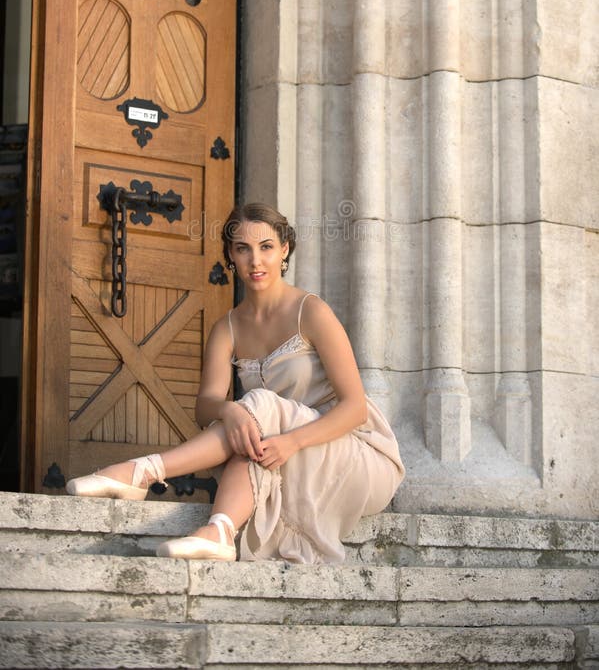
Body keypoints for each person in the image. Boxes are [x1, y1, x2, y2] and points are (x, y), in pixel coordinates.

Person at [67, 203, 405, 564]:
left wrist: (291, 440)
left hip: (355, 454)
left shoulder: (312, 312)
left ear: (284, 250)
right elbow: (205, 406)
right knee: (245, 429)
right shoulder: (226, 327)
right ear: (230, 254)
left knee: (256, 408)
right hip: (280, 449)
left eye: (266, 247)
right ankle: (220, 532)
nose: (255, 261)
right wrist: (230, 410)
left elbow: (354, 409)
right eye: (242, 248)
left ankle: (142, 472)